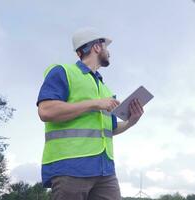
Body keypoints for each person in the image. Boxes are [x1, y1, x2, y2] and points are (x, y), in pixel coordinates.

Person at [37, 27, 144, 200]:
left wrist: (132, 121)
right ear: (96, 47)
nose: (109, 52)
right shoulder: (63, 72)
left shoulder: (105, 89)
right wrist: (95, 104)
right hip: (71, 167)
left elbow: (112, 129)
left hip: (105, 170)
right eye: (106, 47)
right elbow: (46, 110)